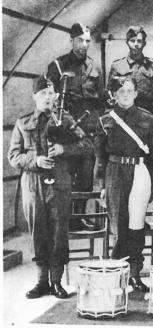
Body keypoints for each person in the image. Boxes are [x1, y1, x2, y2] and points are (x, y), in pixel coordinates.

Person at [8, 76, 94, 299]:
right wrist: (35, 160)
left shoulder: (65, 120)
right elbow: (13, 156)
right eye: (43, 93)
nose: (48, 97)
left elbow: (87, 145)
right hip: (33, 184)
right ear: (35, 97)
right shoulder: (22, 123)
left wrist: (64, 149)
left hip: (59, 182)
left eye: (51, 93)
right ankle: (41, 281)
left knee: (58, 232)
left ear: (56, 95)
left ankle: (56, 281)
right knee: (38, 231)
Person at [95, 76, 153, 292]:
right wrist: (101, 185)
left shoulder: (147, 119)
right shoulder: (105, 120)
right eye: (120, 91)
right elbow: (100, 156)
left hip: (139, 172)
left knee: (137, 224)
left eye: (129, 90)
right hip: (114, 173)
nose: (125, 94)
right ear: (114, 94)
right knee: (118, 225)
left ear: (136, 93)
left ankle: (134, 274)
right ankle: (118, 273)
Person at [46, 22, 103, 230]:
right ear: (71, 40)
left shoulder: (94, 66)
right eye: (80, 40)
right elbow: (51, 101)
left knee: (86, 177)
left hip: (88, 133)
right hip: (66, 133)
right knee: (66, 178)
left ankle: (79, 218)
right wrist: (70, 125)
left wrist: (98, 130)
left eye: (87, 40)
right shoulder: (59, 66)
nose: (84, 44)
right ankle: (63, 221)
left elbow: (100, 101)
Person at [108, 26, 153, 130]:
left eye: (139, 41)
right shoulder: (117, 66)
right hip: (123, 119)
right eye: (132, 41)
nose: (136, 44)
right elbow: (110, 94)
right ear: (127, 42)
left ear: (144, 43)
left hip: (147, 119)